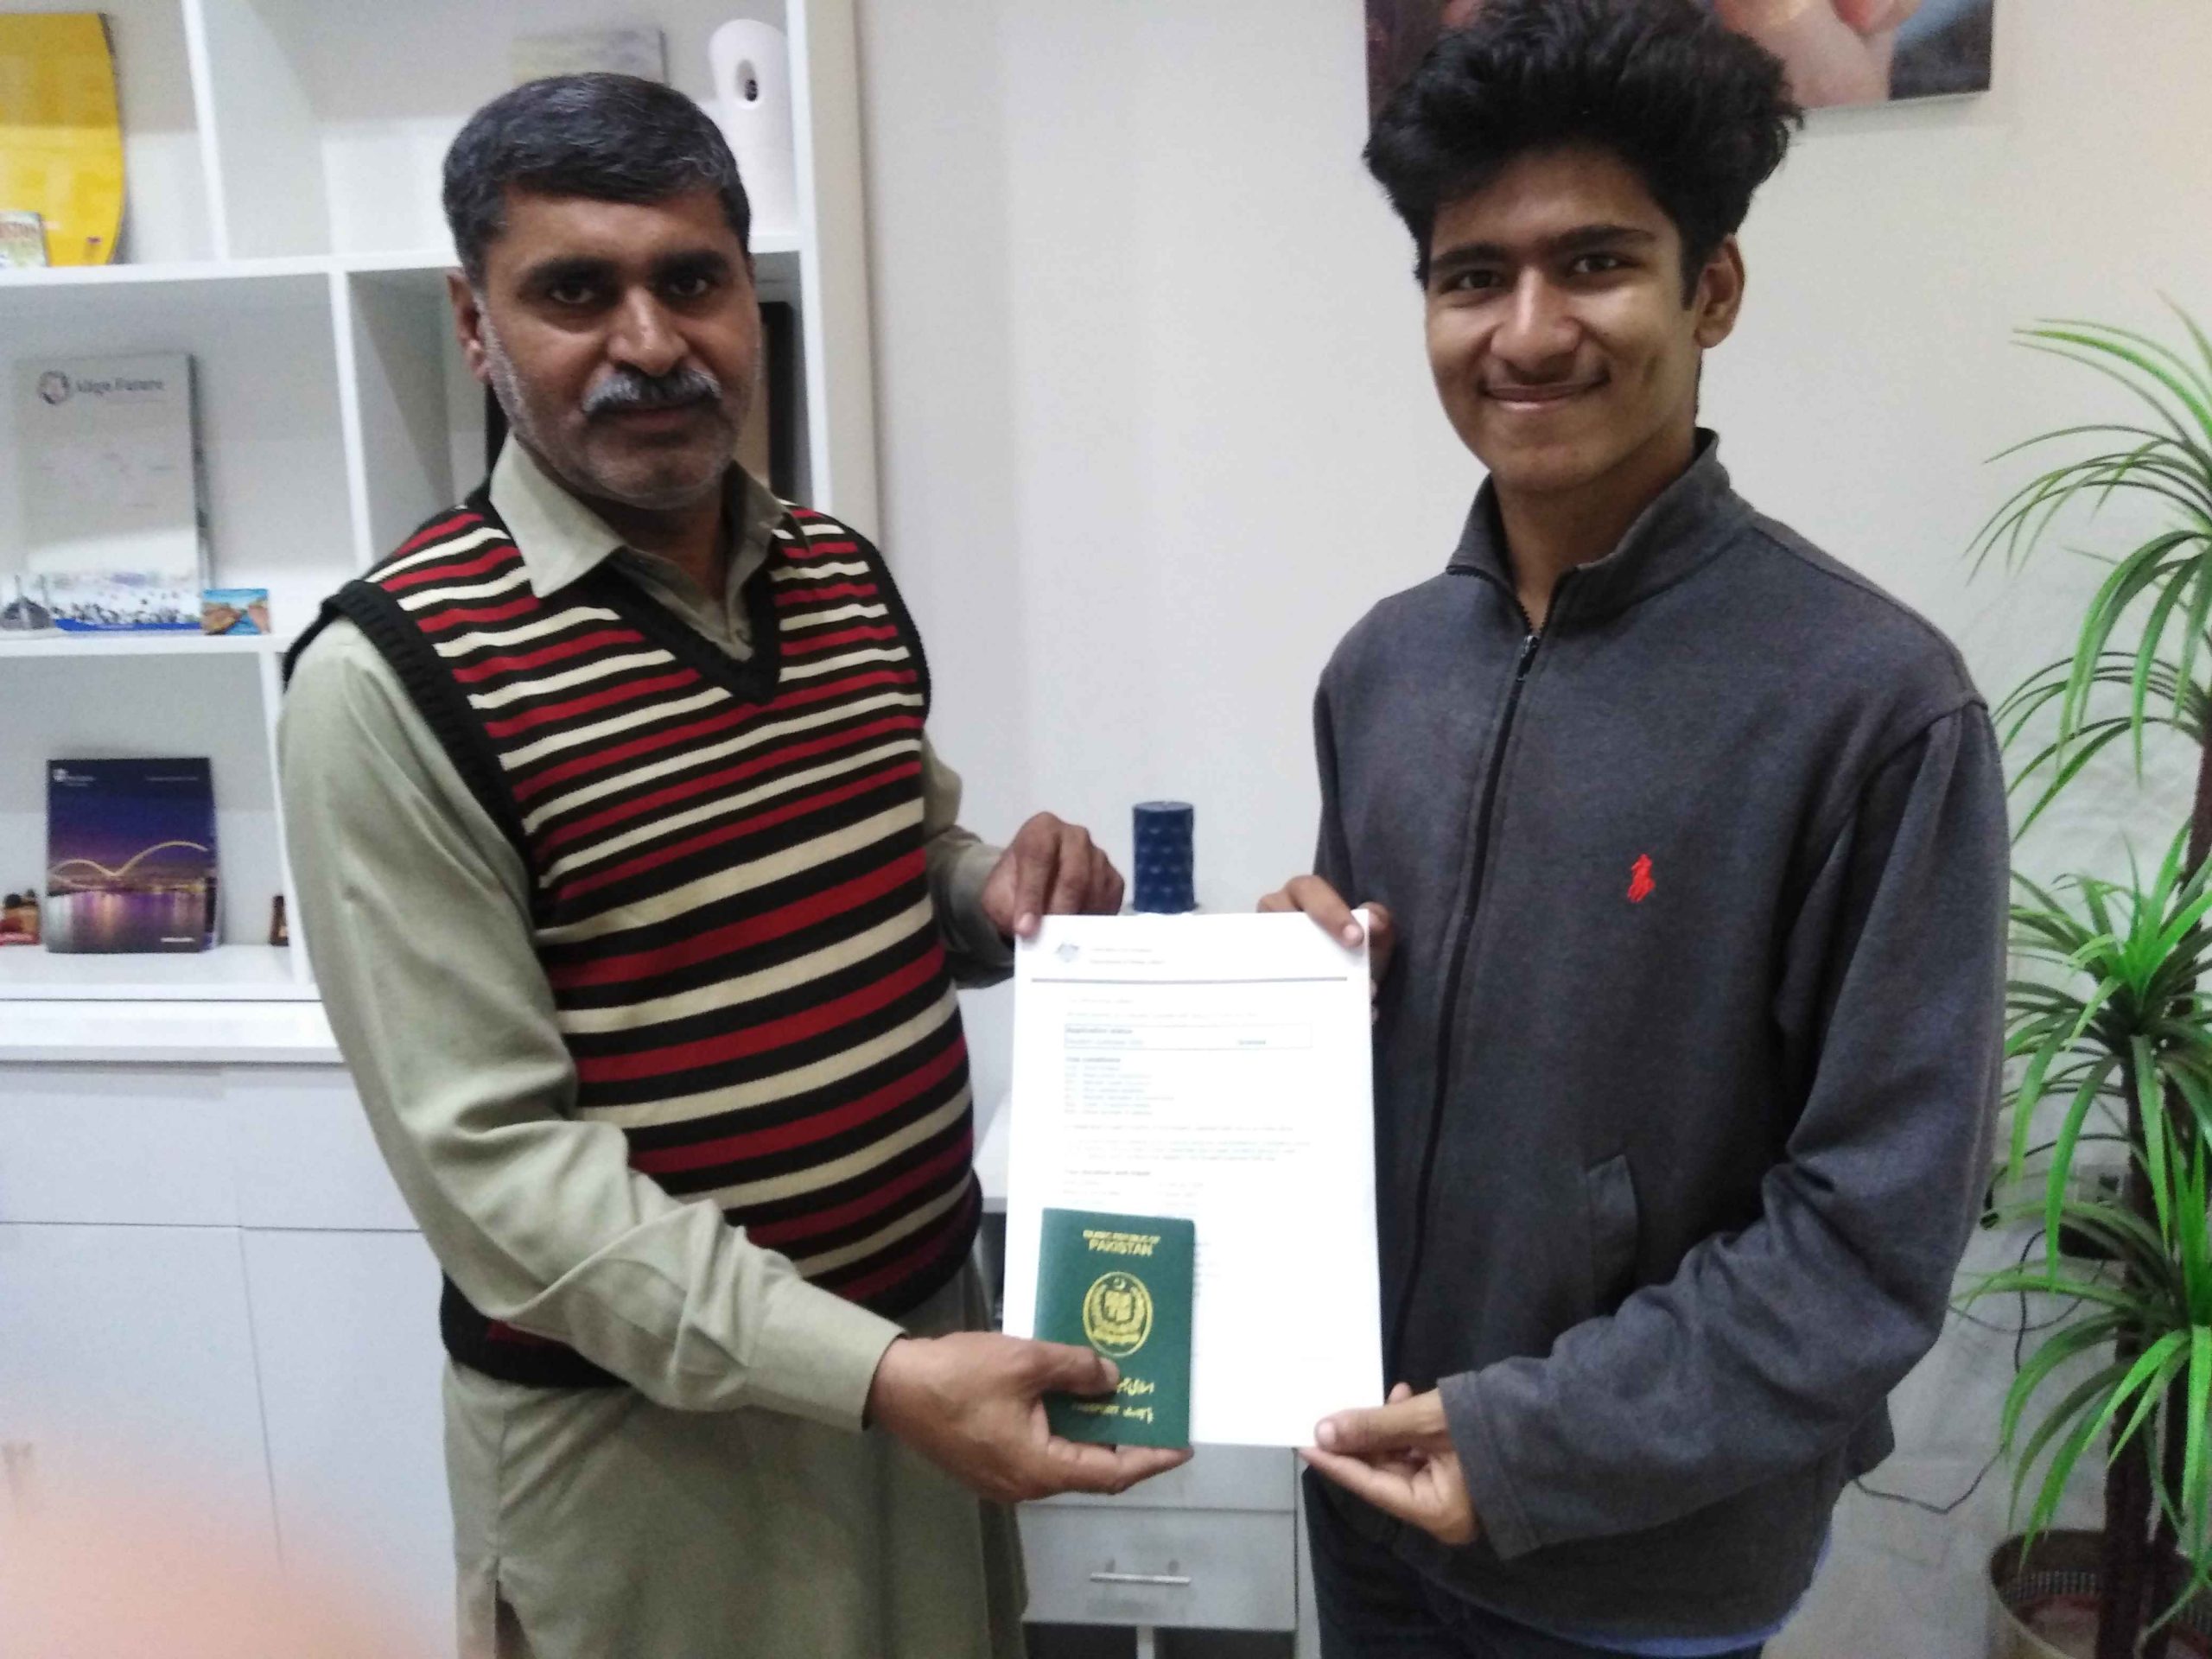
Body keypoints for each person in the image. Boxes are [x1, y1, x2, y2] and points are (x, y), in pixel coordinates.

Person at [278, 73, 1185, 1659]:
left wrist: (993, 894)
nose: (649, 342)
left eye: (691, 280)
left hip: (928, 1374)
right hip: (650, 1465)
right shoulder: (387, 682)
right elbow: (501, 1177)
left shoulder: (836, 574)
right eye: (575, 292)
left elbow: (893, 851)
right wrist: (871, 1377)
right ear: (475, 324)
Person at [1267, 2, 2008, 1654]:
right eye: (1473, 277)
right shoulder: (1384, 669)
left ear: (1712, 288)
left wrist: (1530, 1443)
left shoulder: (1874, 705)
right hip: (1368, 1488)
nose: (1528, 333)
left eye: (1594, 262)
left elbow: (1873, 1235)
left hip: (1640, 1563)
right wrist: (1294, 1003)